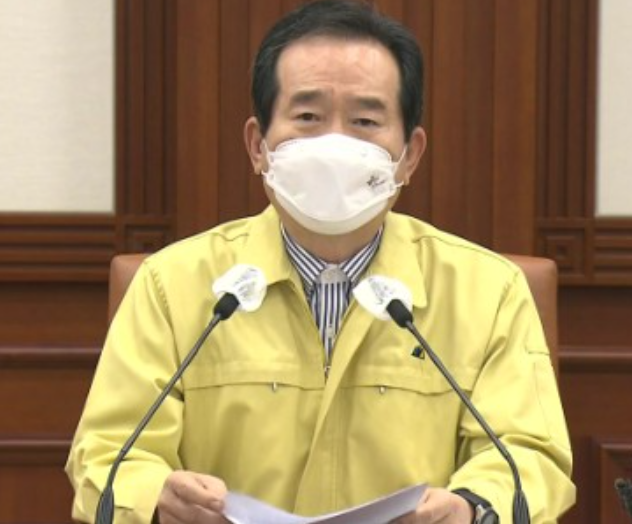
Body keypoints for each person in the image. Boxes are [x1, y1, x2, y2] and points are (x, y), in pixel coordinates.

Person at [66, 1, 576, 523]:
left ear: (410, 155)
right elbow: (106, 456)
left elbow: (529, 457)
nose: (335, 144)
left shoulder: (488, 292)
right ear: (258, 146)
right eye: (308, 117)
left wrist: (471, 509)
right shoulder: (172, 286)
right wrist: (157, 499)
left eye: (365, 121)